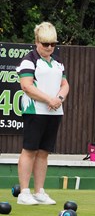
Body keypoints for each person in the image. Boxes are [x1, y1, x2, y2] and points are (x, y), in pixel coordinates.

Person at [16, 22, 69, 205]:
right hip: (35, 110)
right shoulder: (29, 60)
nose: (49, 48)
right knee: (30, 150)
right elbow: (26, 86)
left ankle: (39, 191)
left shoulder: (58, 62)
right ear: (37, 42)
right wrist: (49, 100)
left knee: (44, 152)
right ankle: (24, 192)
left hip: (55, 112)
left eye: (53, 44)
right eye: (45, 44)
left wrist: (59, 99)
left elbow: (65, 84)